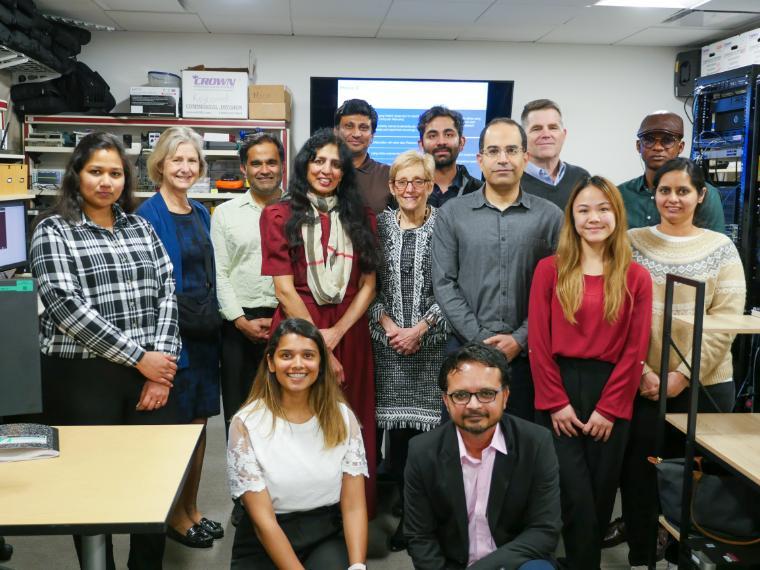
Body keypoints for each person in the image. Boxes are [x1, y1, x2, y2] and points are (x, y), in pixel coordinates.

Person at [30, 132, 181, 569]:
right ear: (76, 175)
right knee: (91, 485)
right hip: (81, 378)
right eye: (95, 171)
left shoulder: (140, 226)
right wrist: (142, 358)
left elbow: (167, 290)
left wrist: (160, 367)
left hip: (150, 375)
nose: (106, 182)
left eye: (115, 173)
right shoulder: (53, 230)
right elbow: (66, 306)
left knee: (151, 479)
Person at [621, 158, 746, 569]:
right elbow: (615, 311)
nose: (673, 199)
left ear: (700, 196)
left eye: (683, 191)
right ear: (653, 195)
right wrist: (642, 372)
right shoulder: (630, 242)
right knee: (641, 478)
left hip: (705, 386)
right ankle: (642, 556)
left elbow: (726, 321)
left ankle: (687, 559)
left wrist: (681, 375)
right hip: (641, 383)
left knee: (699, 479)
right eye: (665, 190)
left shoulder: (720, 247)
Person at [528, 175, 652, 570]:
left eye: (602, 209)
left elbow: (635, 350)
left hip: (611, 392)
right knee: (573, 492)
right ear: (572, 217)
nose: (593, 217)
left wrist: (610, 408)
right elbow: (538, 342)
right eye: (584, 210)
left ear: (617, 214)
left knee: (600, 494)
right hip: (559, 388)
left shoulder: (635, 277)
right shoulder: (550, 270)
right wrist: (555, 402)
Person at [260, 128, 380, 514]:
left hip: (350, 329)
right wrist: (319, 344)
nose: (326, 170)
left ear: (345, 172)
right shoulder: (278, 214)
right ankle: (298, 513)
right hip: (298, 332)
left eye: (336, 163)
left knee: (352, 424)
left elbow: (368, 285)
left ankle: (352, 513)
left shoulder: (362, 216)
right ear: (304, 165)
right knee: (299, 422)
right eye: (318, 160)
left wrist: (338, 333)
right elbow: (283, 289)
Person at [432, 117, 563, 421]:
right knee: (460, 443)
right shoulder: (453, 214)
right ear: (480, 159)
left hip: (530, 355)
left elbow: (560, 287)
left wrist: (520, 338)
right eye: (493, 151)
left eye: (511, 150)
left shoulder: (550, 217)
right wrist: (479, 339)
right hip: (464, 350)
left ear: (525, 157)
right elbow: (444, 283)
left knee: (522, 447)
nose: (503, 159)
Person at [137, 126, 222, 549]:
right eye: (177, 160)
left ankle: (191, 508)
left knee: (199, 424)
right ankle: (172, 515)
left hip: (204, 336)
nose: (186, 167)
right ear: (161, 165)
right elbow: (148, 287)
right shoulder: (147, 215)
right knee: (174, 430)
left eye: (192, 161)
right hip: (171, 338)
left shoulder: (202, 212)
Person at [404, 342, 561, 570]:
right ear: (446, 401)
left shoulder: (536, 443)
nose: (474, 405)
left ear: (505, 396)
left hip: (513, 562)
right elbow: (419, 536)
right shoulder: (422, 451)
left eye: (487, 394)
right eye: (460, 395)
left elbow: (544, 530)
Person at [227, 318, 369, 570]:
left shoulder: (342, 417)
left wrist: (358, 566)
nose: (298, 364)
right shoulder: (246, 424)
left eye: (308, 355)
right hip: (265, 537)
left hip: (324, 532)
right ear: (270, 362)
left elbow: (354, 505)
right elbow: (263, 522)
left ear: (321, 363)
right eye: (286, 355)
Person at [368, 150, 448, 551]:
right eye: (402, 182)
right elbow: (369, 285)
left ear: (431, 186)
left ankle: (419, 522)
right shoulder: (379, 226)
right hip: (387, 350)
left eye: (419, 181)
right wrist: (391, 328)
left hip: (431, 349)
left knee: (426, 446)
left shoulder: (446, 226)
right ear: (392, 186)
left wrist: (419, 330)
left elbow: (452, 287)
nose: (410, 189)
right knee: (393, 446)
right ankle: (393, 512)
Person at [211, 132, 283, 434]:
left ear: (282, 166)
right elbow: (220, 272)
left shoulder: (300, 209)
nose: (264, 169)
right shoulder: (226, 213)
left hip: (286, 321)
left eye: (271, 162)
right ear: (244, 168)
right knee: (241, 415)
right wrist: (240, 321)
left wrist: (282, 318)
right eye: (256, 163)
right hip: (237, 327)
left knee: (284, 412)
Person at [617, 111, 724, 232]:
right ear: (638, 146)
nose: (657, 147)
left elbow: (715, 245)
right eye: (649, 140)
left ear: (681, 147)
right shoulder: (620, 194)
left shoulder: (704, 194)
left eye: (667, 140)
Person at [520, 99, 590, 210]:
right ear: (522, 138)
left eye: (553, 128)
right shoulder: (511, 182)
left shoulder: (581, 178)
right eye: (536, 129)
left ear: (564, 135)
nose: (546, 134)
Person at [417, 106, 482, 208]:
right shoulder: (407, 191)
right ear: (421, 145)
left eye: (448, 135)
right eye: (432, 136)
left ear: (461, 142)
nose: (441, 142)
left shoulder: (480, 192)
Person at [334, 98, 391, 213]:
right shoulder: (323, 172)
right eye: (349, 126)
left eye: (363, 128)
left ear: (372, 136)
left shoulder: (388, 175)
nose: (356, 134)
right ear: (336, 132)